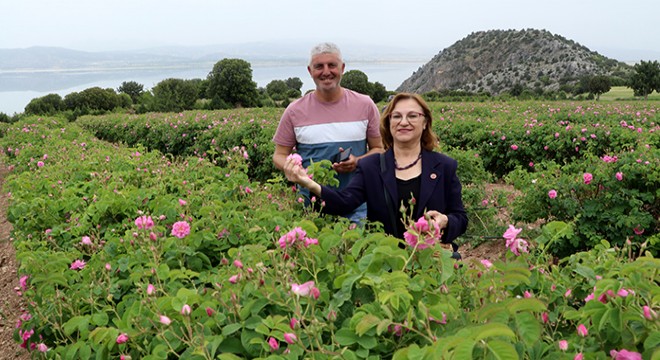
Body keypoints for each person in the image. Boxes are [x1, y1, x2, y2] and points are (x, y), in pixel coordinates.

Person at [283, 93, 468, 258]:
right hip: (385, 262)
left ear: (425, 121)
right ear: (388, 123)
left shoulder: (444, 166)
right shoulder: (371, 166)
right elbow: (344, 202)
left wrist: (445, 222)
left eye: (412, 115)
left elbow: (460, 218)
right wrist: (307, 182)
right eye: (396, 116)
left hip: (431, 261)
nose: (404, 122)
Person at [272, 42, 383, 222]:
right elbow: (279, 155)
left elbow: (379, 149)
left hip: (358, 204)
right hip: (311, 205)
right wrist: (294, 169)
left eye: (332, 65)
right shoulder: (294, 111)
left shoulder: (365, 105)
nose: (326, 72)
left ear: (342, 68)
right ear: (310, 71)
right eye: (319, 66)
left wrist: (358, 162)